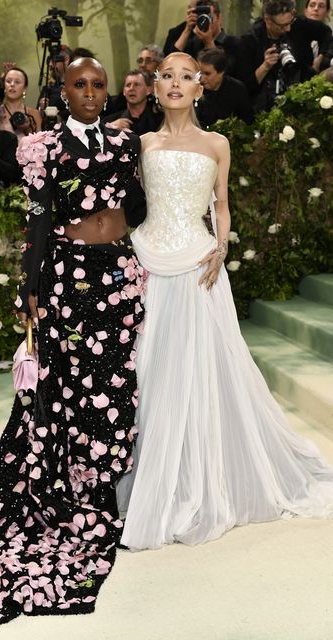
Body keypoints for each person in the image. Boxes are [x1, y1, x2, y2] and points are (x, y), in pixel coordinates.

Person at [0, 57, 146, 632]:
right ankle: (70, 477)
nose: (90, 93)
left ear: (107, 92)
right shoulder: (42, 146)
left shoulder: (125, 142)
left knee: (116, 380)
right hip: (67, 277)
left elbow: (137, 210)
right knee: (65, 382)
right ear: (61, 91)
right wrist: (30, 286)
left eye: (98, 85)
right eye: (79, 85)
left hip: (119, 275)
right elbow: (38, 221)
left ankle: (104, 474)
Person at [116, 51, 333, 550]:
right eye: (166, 76)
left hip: (198, 264)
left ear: (200, 87)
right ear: (154, 86)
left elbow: (222, 205)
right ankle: (152, 476)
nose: (175, 84)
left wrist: (221, 244)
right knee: (149, 372)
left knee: (200, 370)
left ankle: (199, 475)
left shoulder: (217, 143)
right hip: (147, 261)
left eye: (185, 76)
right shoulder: (141, 142)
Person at [237, 0, 333, 113]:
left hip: (302, 92)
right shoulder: (250, 40)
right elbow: (245, 86)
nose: (288, 29)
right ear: (268, 20)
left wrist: (320, 58)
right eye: (282, 26)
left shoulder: (298, 24)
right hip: (264, 106)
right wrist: (265, 66)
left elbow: (326, 32)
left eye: (290, 22)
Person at [163, 0, 239, 77]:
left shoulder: (234, 43)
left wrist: (209, 43)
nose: (206, 22)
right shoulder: (194, 43)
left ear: (219, 18)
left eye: (209, 18)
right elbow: (171, 62)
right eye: (201, 18)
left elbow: (226, 75)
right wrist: (187, 29)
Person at [196, 48, 254, 128]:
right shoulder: (193, 88)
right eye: (199, 72)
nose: (201, 79)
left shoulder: (238, 90)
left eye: (207, 74)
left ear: (221, 72)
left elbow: (247, 122)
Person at [103, 69, 163, 134]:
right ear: (124, 91)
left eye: (136, 85)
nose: (131, 88)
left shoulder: (160, 120)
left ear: (148, 90)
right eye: (128, 85)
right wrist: (109, 129)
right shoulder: (110, 121)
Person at [0, 67, 42, 141]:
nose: (12, 85)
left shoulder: (34, 114)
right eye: (8, 81)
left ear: (25, 88)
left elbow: (41, 143)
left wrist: (28, 129)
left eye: (17, 82)